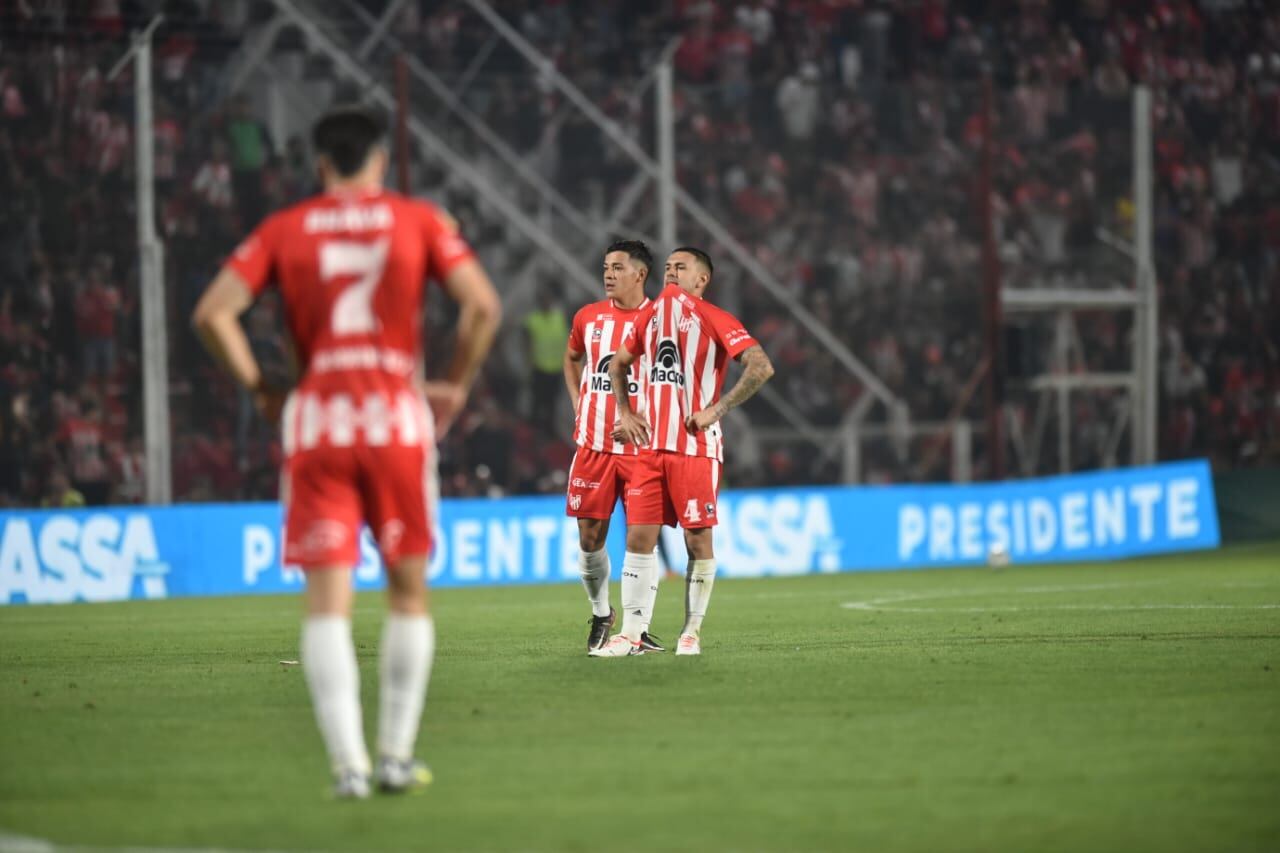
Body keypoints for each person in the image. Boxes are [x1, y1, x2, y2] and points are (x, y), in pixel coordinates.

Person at [191, 105, 501, 798]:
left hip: (319, 420)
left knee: (327, 603)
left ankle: (348, 767)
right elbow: (482, 306)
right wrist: (451, 385)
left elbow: (213, 312)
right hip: (395, 416)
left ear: (320, 165)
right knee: (408, 593)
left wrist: (263, 389)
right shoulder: (418, 219)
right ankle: (394, 754)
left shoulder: (285, 228)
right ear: (381, 163)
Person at [597, 247, 774, 657]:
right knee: (639, 538)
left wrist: (718, 408)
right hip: (648, 449)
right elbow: (617, 365)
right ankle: (632, 633)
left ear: (701, 280)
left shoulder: (713, 317)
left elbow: (761, 366)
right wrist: (626, 413)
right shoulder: (648, 318)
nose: (672, 273)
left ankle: (691, 632)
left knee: (698, 541)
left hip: (694, 448)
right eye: (668, 267)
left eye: (682, 267)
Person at [563, 240, 664, 654]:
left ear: (640, 274)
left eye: (618, 267)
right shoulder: (588, 317)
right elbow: (571, 358)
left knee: (641, 539)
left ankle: (636, 632)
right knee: (590, 538)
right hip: (593, 447)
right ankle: (603, 613)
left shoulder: (662, 321)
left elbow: (677, 382)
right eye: (606, 267)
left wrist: (646, 420)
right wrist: (578, 402)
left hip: (643, 450)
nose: (608, 274)